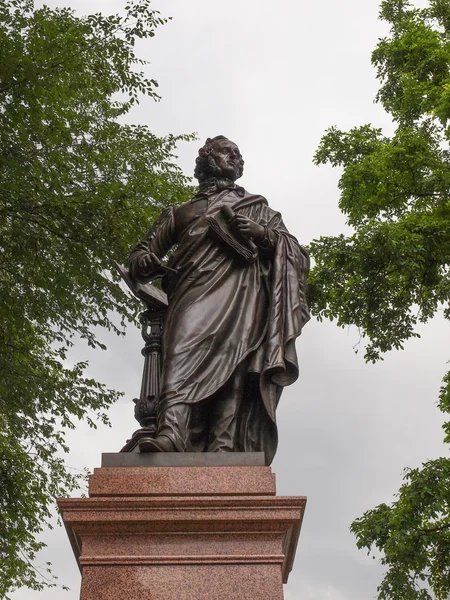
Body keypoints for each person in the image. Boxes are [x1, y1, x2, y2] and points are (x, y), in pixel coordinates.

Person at [128, 135, 310, 464]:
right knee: (180, 354)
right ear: (209, 158)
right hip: (191, 292)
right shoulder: (181, 211)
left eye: (240, 155)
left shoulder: (257, 207)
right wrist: (145, 263)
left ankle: (223, 445)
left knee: (235, 365)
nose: (237, 159)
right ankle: (171, 433)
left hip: (243, 296)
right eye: (229, 152)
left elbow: (296, 253)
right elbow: (142, 253)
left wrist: (262, 234)